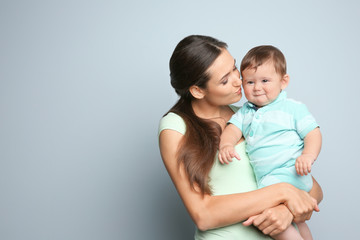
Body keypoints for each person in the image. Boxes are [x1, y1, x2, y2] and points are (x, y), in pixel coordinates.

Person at [158, 35, 323, 239]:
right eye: (225, 80)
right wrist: (282, 192)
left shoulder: (252, 113)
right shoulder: (175, 126)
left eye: (235, 68)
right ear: (198, 90)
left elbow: (313, 189)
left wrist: (286, 211)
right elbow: (203, 214)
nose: (240, 81)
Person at [218, 45, 322, 240]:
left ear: (284, 82)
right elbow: (232, 130)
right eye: (250, 82)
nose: (257, 88)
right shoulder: (245, 112)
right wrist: (226, 145)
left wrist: (308, 155)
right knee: (298, 220)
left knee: (267, 216)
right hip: (267, 179)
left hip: (290, 172)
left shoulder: (292, 108)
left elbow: (313, 133)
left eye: (265, 81)